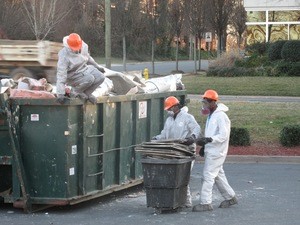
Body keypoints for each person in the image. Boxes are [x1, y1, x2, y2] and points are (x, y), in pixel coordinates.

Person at [192, 89, 237, 212]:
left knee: (208, 176)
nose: (204, 105)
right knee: (217, 176)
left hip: (217, 152)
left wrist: (208, 140)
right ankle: (231, 197)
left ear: (212, 102)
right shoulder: (212, 115)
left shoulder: (221, 116)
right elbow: (212, 134)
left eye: (205, 102)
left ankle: (206, 203)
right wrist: (205, 146)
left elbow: (223, 135)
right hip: (212, 150)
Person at [152, 96, 201, 208]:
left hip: (186, 151)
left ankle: (186, 201)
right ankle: (177, 200)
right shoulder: (169, 120)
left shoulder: (187, 117)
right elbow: (164, 134)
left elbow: (196, 128)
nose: (169, 110)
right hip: (173, 151)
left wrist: (192, 137)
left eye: (170, 108)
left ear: (175, 106)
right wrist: (156, 138)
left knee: (183, 176)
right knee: (174, 176)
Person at [56, 33, 105, 104]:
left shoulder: (83, 46)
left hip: (84, 69)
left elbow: (87, 57)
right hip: (72, 75)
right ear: (69, 46)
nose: (77, 50)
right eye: (74, 48)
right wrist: (60, 93)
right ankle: (74, 92)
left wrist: (97, 66)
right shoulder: (64, 55)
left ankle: (87, 94)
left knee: (101, 77)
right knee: (90, 78)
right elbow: (61, 74)